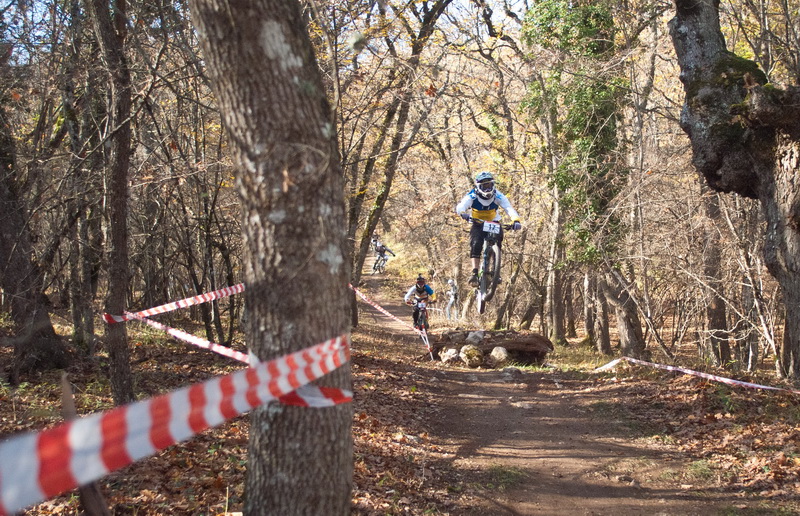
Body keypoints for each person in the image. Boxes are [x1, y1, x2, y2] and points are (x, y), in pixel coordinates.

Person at [455, 171, 522, 287]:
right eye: (484, 186)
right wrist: (462, 213)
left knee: (498, 241)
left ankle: (495, 271)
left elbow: (508, 208)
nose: (487, 189)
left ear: (493, 185)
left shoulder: (498, 195)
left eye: (489, 185)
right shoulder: (473, 195)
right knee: (476, 244)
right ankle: (474, 273)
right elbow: (462, 205)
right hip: (477, 222)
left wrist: (515, 220)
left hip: (493, 221)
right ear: (478, 187)